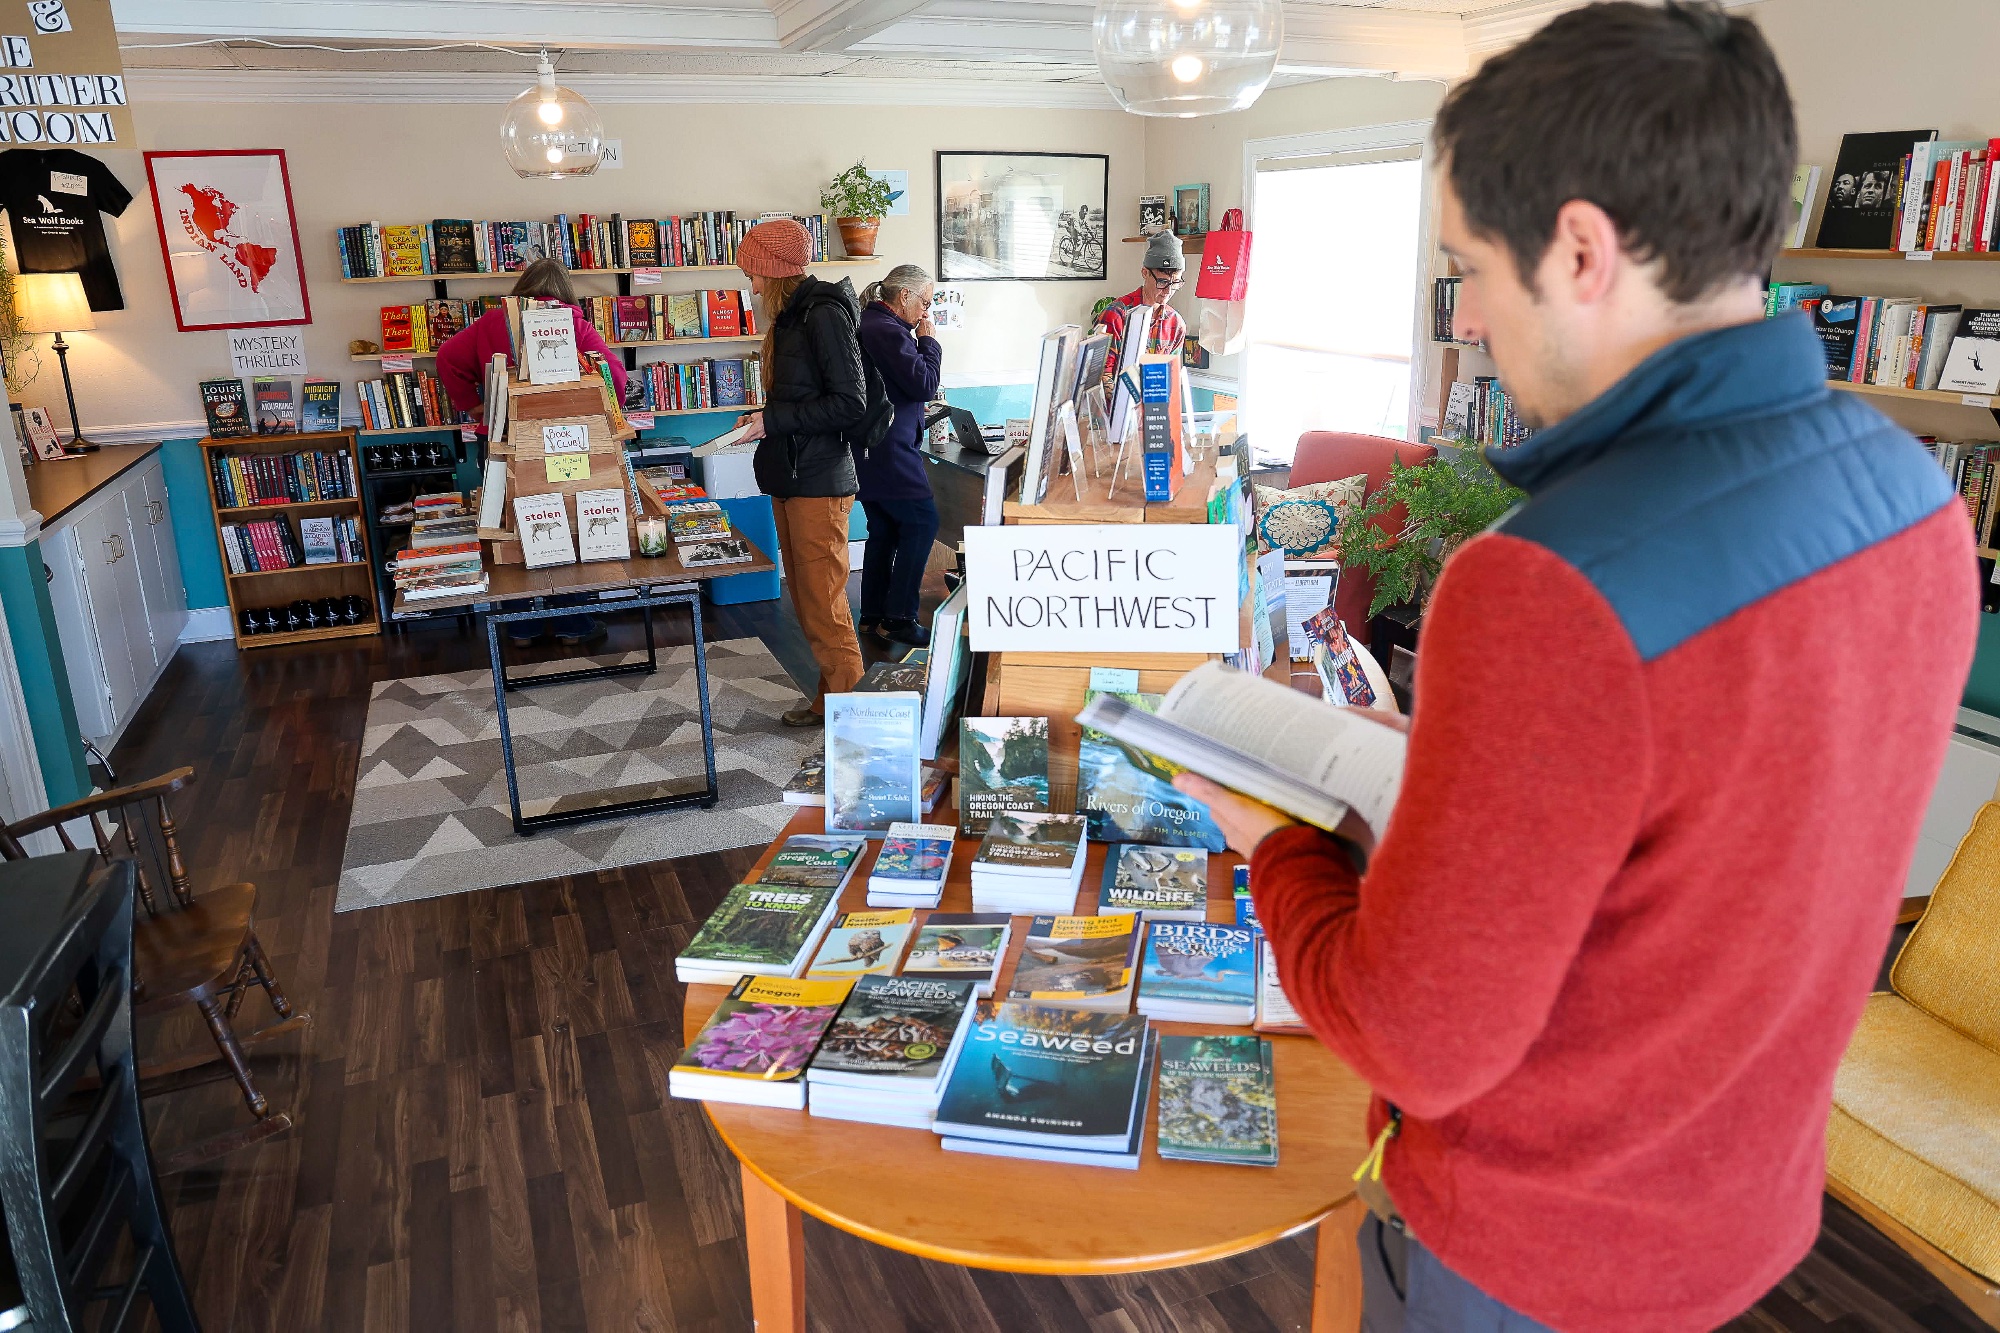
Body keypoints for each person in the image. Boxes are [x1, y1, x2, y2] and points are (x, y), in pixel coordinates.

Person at [1174, 4, 1977, 1331]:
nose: (1472, 317)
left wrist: (1276, 839)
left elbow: (1417, 1044)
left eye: (1471, 270)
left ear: (1583, 250)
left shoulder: (1544, 580)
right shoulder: (1912, 495)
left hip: (1533, 1254)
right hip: (1744, 1211)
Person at [436, 258, 628, 649]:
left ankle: (519, 626)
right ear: (565, 293)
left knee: (509, 526)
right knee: (567, 523)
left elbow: (447, 358)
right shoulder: (573, 323)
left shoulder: (493, 322)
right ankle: (572, 623)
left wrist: (473, 406)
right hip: (562, 442)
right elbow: (614, 376)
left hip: (503, 440)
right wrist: (606, 417)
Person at [732, 218, 867, 728]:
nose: (752, 286)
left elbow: (849, 403)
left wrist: (774, 419)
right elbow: (802, 399)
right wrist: (765, 422)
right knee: (810, 601)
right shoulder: (793, 317)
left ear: (774, 270)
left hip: (818, 479)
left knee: (825, 606)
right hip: (793, 475)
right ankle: (830, 698)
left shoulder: (823, 314)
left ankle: (855, 725)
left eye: (755, 275)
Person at [855, 264, 943, 648]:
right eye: (924, 302)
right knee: (923, 522)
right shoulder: (887, 331)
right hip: (889, 450)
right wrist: (929, 342)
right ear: (903, 296)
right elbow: (924, 384)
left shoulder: (873, 325)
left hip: (873, 449)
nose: (926, 312)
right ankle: (900, 618)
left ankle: (873, 615)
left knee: (885, 530)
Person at [1092, 230, 1186, 381]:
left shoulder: (1176, 324)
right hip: (1116, 403)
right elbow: (1101, 376)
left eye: (1175, 283)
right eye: (1162, 282)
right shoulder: (1115, 315)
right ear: (1145, 273)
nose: (1168, 291)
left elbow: (1170, 379)